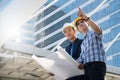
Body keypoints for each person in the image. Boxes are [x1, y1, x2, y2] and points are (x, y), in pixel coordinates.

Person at [74, 7, 106, 80]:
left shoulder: (93, 33)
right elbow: (80, 59)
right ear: (78, 30)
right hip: (87, 69)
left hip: (97, 66)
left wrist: (85, 17)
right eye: (78, 24)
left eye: (82, 21)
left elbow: (97, 29)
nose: (80, 24)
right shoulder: (82, 44)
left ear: (87, 24)